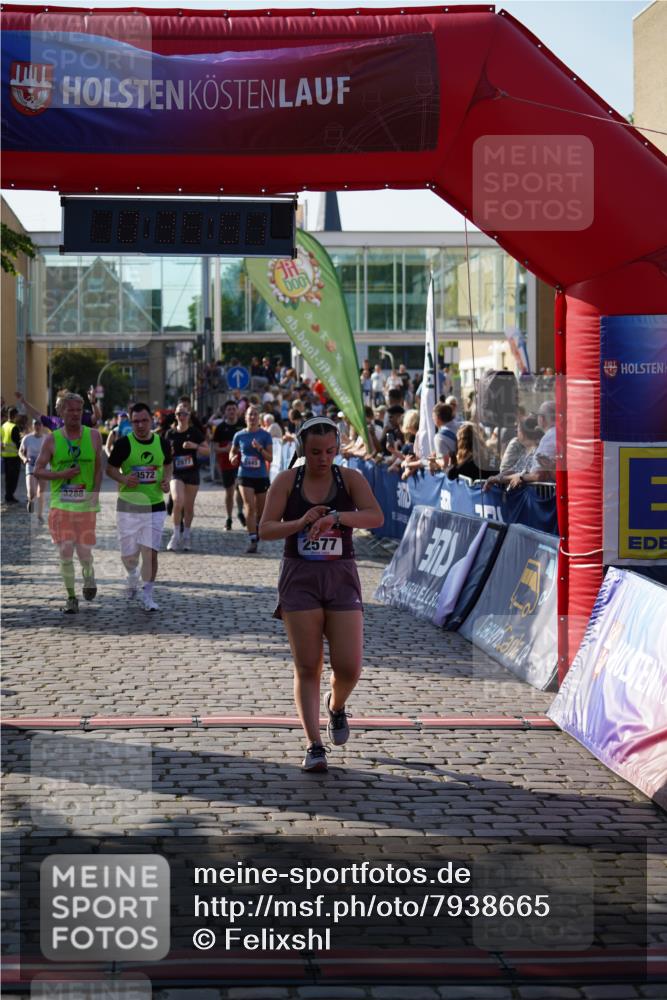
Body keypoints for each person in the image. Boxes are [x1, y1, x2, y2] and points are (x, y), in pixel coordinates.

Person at [259, 417, 384, 772]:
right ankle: (314, 744)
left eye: (330, 451)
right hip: (300, 577)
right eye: (315, 452)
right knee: (307, 664)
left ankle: (337, 705)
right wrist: (299, 523)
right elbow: (265, 529)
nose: (323, 458)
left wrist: (337, 517)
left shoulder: (350, 479)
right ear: (302, 448)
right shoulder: (287, 481)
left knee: (349, 666)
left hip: (341, 575)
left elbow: (375, 517)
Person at [33, 393, 103, 613]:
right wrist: (61, 473)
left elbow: (99, 467)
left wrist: (95, 492)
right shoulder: (52, 439)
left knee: (83, 553)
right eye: (70, 410)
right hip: (61, 505)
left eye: (78, 410)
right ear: (60, 412)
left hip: (86, 505)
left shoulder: (93, 436)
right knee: (65, 551)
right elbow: (38, 471)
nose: (75, 414)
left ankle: (89, 574)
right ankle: (71, 596)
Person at [106, 402, 172, 612]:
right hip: (129, 507)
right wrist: (124, 479)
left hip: (155, 506)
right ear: (130, 421)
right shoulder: (124, 444)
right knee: (129, 555)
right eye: (136, 421)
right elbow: (110, 469)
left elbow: (169, 463)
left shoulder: (162, 443)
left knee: (151, 554)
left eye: (144, 420)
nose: (141, 425)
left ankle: (148, 594)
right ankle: (132, 574)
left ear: (151, 420)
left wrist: (166, 480)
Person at [165, 404, 209, 551]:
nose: (181, 417)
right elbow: (163, 455)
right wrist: (167, 454)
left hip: (192, 472)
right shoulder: (169, 434)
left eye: (184, 414)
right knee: (178, 501)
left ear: (188, 416)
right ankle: (176, 535)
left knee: (189, 506)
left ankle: (187, 535)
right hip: (176, 473)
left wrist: (194, 446)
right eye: (178, 414)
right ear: (175, 416)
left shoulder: (194, 432)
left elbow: (207, 451)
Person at [230, 405, 273, 553]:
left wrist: (260, 448)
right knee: (249, 507)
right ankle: (253, 540)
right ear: (245, 417)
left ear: (259, 418)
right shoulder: (239, 436)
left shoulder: (265, 435)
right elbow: (232, 453)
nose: (253, 417)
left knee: (261, 512)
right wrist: (233, 458)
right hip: (244, 475)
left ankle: (256, 531)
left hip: (260, 476)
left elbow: (270, 457)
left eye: (255, 415)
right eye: (250, 415)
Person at [213, 399, 246, 531]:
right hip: (226, 465)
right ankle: (229, 517)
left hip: (241, 464)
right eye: (229, 410)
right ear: (225, 412)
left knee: (240, 489)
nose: (232, 412)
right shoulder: (220, 428)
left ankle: (239, 512)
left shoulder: (243, 425)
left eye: (234, 409)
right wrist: (225, 449)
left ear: (237, 411)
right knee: (229, 492)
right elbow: (215, 448)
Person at [19, 417, 47, 518]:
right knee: (32, 492)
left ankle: (39, 514)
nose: (37, 426)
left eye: (39, 424)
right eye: (35, 424)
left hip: (43, 467)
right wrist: (24, 459)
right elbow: (20, 451)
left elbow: (52, 452)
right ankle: (30, 500)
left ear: (42, 426)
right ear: (33, 426)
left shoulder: (46, 439)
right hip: (30, 466)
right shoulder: (27, 438)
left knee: (41, 492)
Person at [2, 406, 22, 504]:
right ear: (15, 415)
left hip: (5, 455)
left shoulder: (4, 425)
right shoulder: (14, 427)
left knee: (7, 478)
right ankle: (10, 496)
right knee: (13, 478)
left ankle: (8, 495)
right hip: (14, 456)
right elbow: (17, 442)